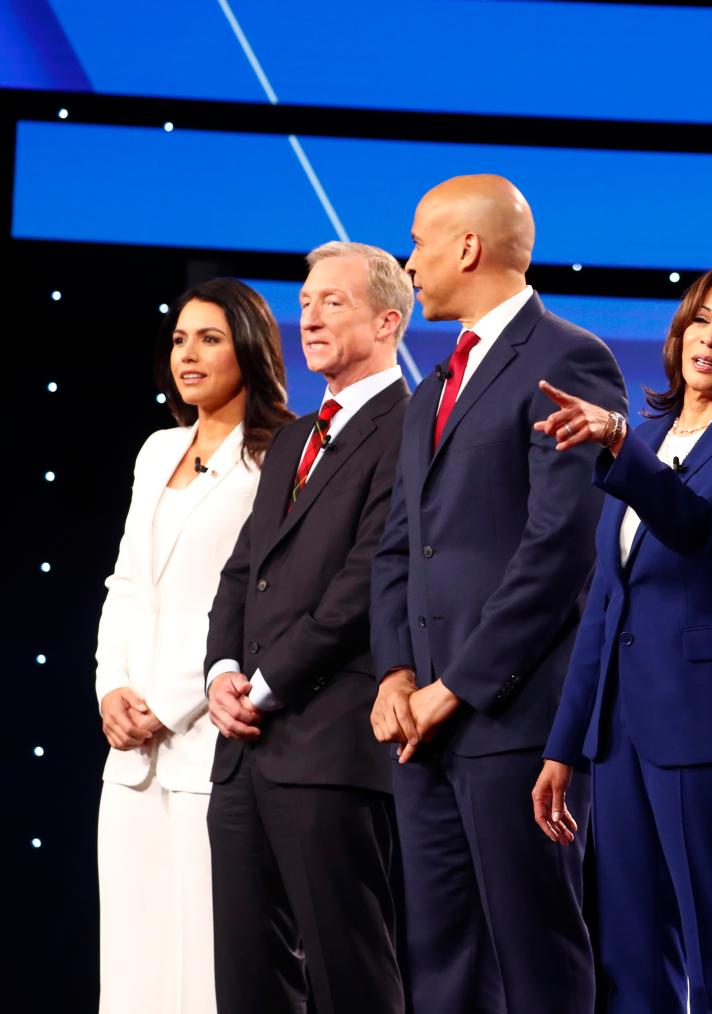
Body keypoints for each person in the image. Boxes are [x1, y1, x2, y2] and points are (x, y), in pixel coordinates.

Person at [369, 174, 627, 1014]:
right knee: (440, 964)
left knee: (535, 954)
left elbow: (560, 550)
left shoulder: (568, 360)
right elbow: (399, 546)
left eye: (419, 242)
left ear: (469, 247)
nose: (410, 263)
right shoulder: (429, 392)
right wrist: (396, 674)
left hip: (515, 722)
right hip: (422, 731)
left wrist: (456, 686)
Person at [531, 264, 712, 1014]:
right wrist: (564, 746)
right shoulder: (647, 437)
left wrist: (622, 444)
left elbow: (703, 528)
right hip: (621, 741)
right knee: (630, 959)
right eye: (700, 320)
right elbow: (605, 606)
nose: (708, 339)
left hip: (708, 733)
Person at [203, 241, 411, 1014]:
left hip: (331, 746)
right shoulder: (293, 435)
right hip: (244, 752)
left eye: (333, 302)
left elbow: (366, 581)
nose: (310, 318)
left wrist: (266, 684)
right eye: (305, 303)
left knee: (351, 969)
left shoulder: (412, 427)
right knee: (248, 976)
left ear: (388, 322)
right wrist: (221, 672)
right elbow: (242, 570)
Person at [93, 278, 293, 1014]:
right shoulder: (158, 450)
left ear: (250, 348)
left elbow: (256, 603)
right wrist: (112, 688)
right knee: (132, 960)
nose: (188, 354)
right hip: (130, 753)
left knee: (207, 961)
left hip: (211, 738)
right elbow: (127, 582)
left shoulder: (276, 458)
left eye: (209, 339)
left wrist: (171, 702)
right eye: (180, 339)